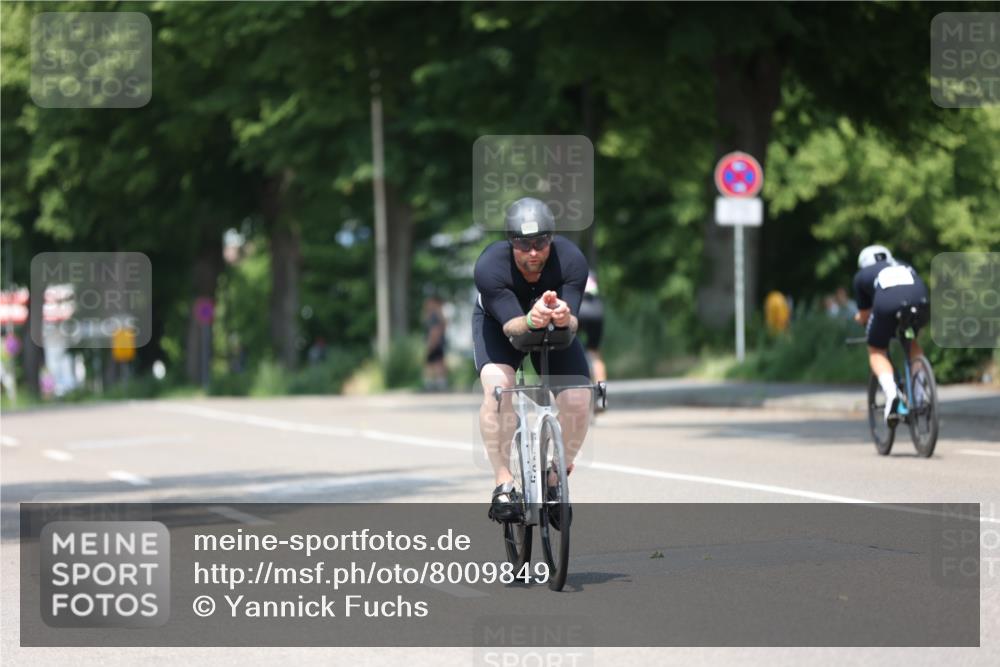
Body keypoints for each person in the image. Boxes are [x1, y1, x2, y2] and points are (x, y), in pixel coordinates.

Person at [473, 197, 591, 523]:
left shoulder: (571, 260)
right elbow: (513, 328)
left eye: (540, 242)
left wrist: (565, 317)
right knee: (498, 389)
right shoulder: (490, 266)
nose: (533, 252)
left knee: (581, 399)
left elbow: (573, 324)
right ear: (510, 242)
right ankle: (502, 483)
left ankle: (555, 479)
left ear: (551, 238)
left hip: (554, 331)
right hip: (501, 328)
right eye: (523, 244)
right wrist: (530, 319)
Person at [852, 245, 929, 424]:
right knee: (912, 342)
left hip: (888, 303)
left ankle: (892, 394)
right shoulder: (903, 264)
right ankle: (919, 394)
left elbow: (865, 314)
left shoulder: (861, 276)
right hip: (920, 299)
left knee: (876, 349)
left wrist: (860, 319)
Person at [577, 270, 607, 385]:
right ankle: (601, 393)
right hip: (596, 310)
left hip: (578, 310)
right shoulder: (592, 273)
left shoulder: (570, 270)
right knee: (594, 352)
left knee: (568, 349)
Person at [422, 296, 448, 391]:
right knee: (436, 362)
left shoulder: (433, 315)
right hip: (438, 342)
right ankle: (439, 383)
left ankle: (434, 384)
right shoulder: (438, 315)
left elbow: (435, 330)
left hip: (434, 343)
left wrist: (431, 343)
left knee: (434, 363)